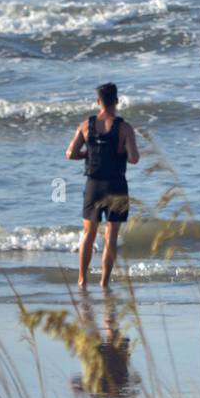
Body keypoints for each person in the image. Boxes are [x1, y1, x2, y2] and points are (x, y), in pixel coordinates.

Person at [66, 83, 140, 288]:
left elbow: (70, 154)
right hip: (116, 184)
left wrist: (87, 154)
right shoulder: (124, 127)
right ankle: (104, 283)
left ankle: (82, 280)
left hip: (93, 185)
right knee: (111, 236)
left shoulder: (85, 126)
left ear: (98, 102)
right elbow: (134, 159)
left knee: (88, 234)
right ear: (116, 101)